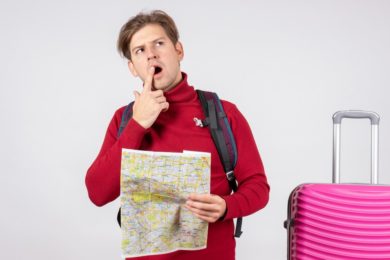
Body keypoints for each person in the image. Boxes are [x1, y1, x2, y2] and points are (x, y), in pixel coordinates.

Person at [85, 10, 269, 260]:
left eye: (158, 43)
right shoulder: (124, 119)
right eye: (140, 50)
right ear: (132, 67)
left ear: (178, 51)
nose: (151, 54)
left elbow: (258, 187)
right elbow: (97, 193)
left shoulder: (223, 113)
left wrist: (227, 206)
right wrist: (138, 124)